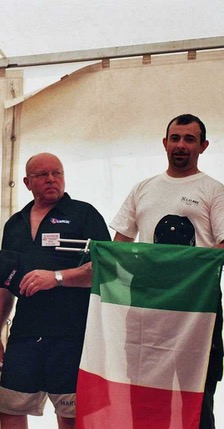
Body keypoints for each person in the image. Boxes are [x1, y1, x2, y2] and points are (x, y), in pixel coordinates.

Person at [111, 113, 224, 429]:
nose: (181, 145)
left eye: (189, 139)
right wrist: (69, 275)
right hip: (148, 310)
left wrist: (183, 268)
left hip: (196, 309)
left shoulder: (214, 190)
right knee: (145, 401)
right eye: (175, 138)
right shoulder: (143, 188)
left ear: (203, 146)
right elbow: (118, 248)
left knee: (197, 403)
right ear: (164, 143)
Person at [0, 152, 110, 429]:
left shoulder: (84, 214)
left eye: (57, 173)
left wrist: (57, 277)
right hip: (25, 334)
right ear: (27, 182)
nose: (51, 179)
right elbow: (3, 284)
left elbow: (105, 269)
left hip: (71, 335)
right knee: (10, 409)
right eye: (42, 175)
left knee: (71, 415)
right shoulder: (15, 224)